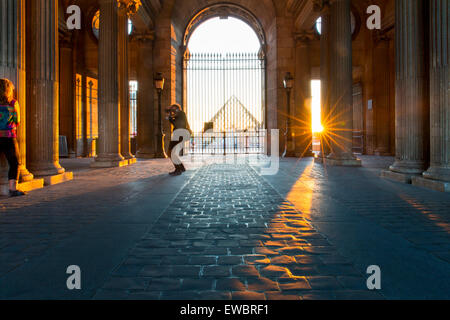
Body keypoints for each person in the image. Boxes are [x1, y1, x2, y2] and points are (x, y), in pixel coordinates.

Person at [0, 79, 26, 197]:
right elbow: (17, 121)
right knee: (14, 163)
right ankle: (12, 189)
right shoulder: (13, 103)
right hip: (9, 137)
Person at [166, 104, 192, 176]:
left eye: (173, 108)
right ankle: (181, 168)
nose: (172, 110)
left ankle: (178, 170)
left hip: (178, 135)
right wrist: (171, 117)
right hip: (179, 135)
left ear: (177, 108)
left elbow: (177, 124)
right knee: (172, 153)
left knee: (170, 152)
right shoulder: (180, 114)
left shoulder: (180, 113)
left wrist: (170, 118)